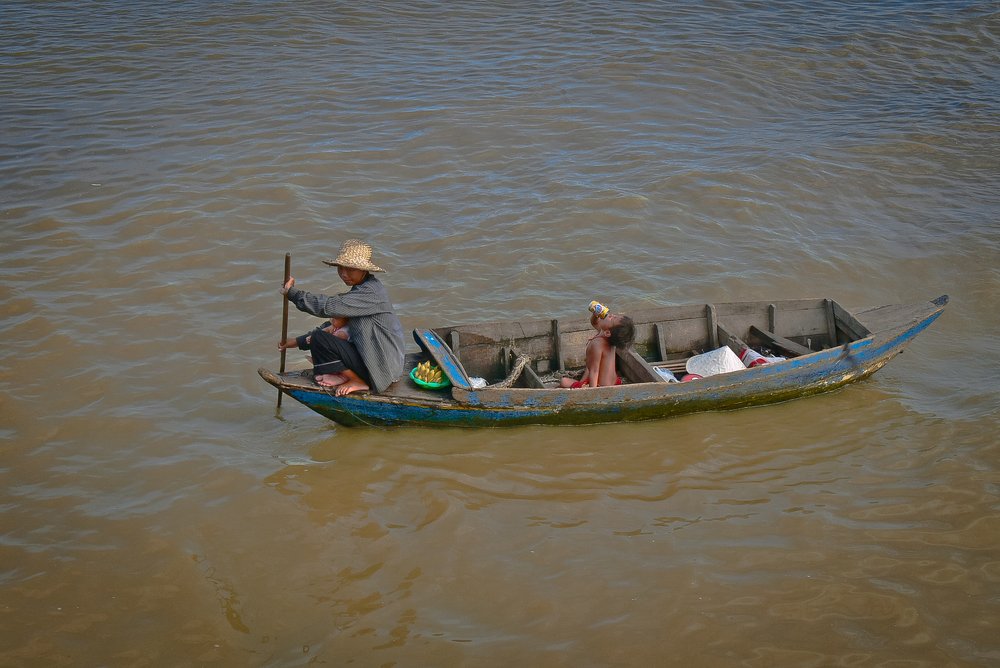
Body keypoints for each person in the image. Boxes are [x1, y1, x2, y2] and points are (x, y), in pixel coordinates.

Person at [279, 239, 405, 396]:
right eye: (340, 268)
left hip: (383, 369)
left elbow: (327, 306)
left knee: (319, 338)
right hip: (385, 364)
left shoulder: (370, 293)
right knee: (321, 337)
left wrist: (292, 293)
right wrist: (296, 342)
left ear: (363, 270)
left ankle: (358, 381)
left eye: (350, 269)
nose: (344, 274)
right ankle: (347, 375)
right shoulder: (363, 289)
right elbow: (334, 323)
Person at [559, 312, 636, 389]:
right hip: (614, 382)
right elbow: (595, 323)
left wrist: (593, 391)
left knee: (563, 381)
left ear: (608, 333)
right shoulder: (607, 335)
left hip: (602, 387)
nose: (611, 315)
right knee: (589, 365)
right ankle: (583, 381)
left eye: (612, 318)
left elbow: (594, 371)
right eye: (615, 316)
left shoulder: (597, 344)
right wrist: (595, 316)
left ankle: (583, 384)